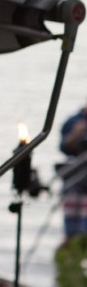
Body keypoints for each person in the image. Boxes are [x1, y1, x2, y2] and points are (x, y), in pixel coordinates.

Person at [59, 101, 87, 239]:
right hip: (75, 176)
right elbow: (64, 147)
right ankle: (72, 245)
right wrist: (77, 132)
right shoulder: (74, 121)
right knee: (72, 221)